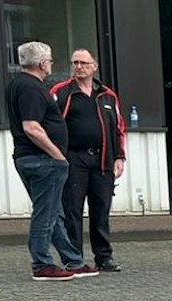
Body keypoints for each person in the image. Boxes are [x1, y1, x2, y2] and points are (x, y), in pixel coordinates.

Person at [6, 41, 91, 281]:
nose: (51, 65)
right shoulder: (31, 88)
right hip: (42, 159)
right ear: (43, 63)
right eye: (50, 61)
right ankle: (42, 264)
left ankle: (73, 260)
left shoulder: (18, 84)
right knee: (46, 214)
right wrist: (57, 155)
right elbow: (31, 127)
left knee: (53, 213)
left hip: (33, 158)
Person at [53, 50, 128, 273]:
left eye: (83, 63)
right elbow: (51, 124)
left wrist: (119, 156)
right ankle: (74, 258)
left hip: (102, 158)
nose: (79, 67)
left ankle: (104, 257)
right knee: (72, 209)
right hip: (73, 158)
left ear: (94, 66)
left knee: (101, 208)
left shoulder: (107, 95)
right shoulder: (62, 92)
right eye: (75, 62)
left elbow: (118, 128)